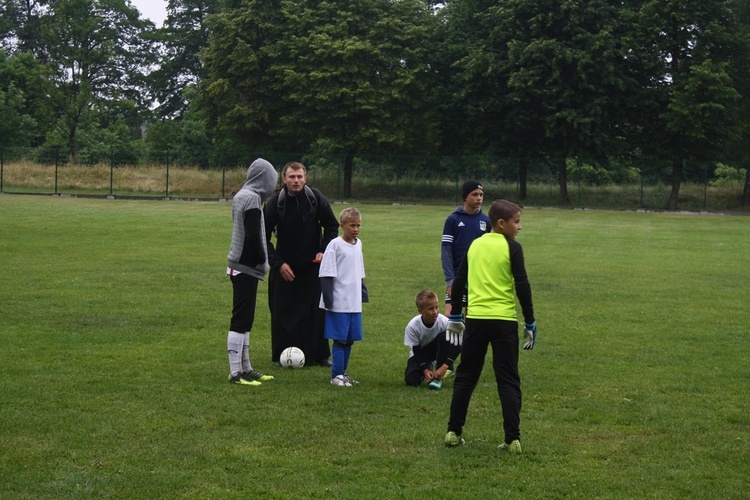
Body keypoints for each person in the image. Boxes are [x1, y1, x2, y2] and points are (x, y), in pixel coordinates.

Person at [444, 199, 537, 453]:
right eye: (517, 222)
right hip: (504, 322)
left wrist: (454, 316)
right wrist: (529, 320)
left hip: (476, 320)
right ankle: (512, 439)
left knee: (466, 376)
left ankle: (453, 432)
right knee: (507, 379)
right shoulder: (513, 248)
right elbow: (522, 286)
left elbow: (459, 280)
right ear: (501, 223)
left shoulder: (475, 245)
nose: (520, 227)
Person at [264, 161, 339, 367]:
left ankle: (320, 355)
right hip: (284, 268)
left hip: (313, 266)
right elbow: (262, 236)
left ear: (305, 179)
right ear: (284, 179)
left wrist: (323, 251)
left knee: (316, 312)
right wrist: (278, 264)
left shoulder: (314, 198)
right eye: (291, 177)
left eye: (299, 177)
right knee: (283, 312)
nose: (296, 181)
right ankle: (282, 355)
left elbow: (332, 226)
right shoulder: (275, 202)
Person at [225, 158, 279, 386]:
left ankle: (246, 368)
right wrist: (261, 260)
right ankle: (236, 372)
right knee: (241, 319)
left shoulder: (243, 195)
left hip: (242, 266)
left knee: (247, 320)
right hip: (245, 267)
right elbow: (253, 237)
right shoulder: (252, 199)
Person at [318, 207, 368, 387]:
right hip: (339, 301)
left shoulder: (358, 244)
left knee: (350, 339)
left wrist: (363, 290)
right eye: (352, 225)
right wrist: (329, 299)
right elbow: (326, 273)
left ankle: (343, 373)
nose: (355, 229)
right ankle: (335, 375)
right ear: (342, 226)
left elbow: (359, 269)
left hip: (353, 301)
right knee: (340, 338)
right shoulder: (334, 245)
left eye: (358, 225)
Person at [441, 179, 490, 316]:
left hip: (478, 277)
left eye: (481, 194)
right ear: (465, 197)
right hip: (457, 277)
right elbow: (446, 250)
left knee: (473, 318)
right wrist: (450, 280)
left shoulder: (486, 221)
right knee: (449, 317)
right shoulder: (453, 220)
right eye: (475, 194)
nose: (479, 198)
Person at [403, 289, 461, 390]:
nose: (435, 312)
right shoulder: (412, 326)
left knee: (445, 336)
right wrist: (425, 369)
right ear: (420, 311)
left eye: (437, 307)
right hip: (422, 353)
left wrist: (444, 366)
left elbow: (458, 344)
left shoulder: (444, 322)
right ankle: (430, 367)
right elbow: (416, 350)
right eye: (430, 309)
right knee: (412, 381)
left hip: (438, 349)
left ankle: (439, 374)